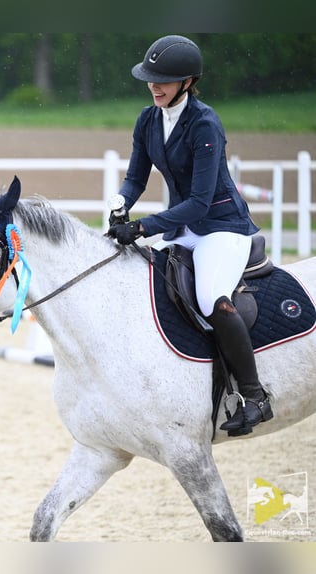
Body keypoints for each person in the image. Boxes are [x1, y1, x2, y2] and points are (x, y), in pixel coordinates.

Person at [106, 34, 273, 435]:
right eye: (150, 78)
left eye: (163, 79)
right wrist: (119, 203)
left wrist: (144, 226)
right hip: (184, 226)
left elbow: (200, 201)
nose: (154, 85)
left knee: (210, 299)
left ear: (187, 81)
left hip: (221, 226)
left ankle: (255, 396)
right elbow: (135, 177)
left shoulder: (205, 123)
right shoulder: (148, 119)